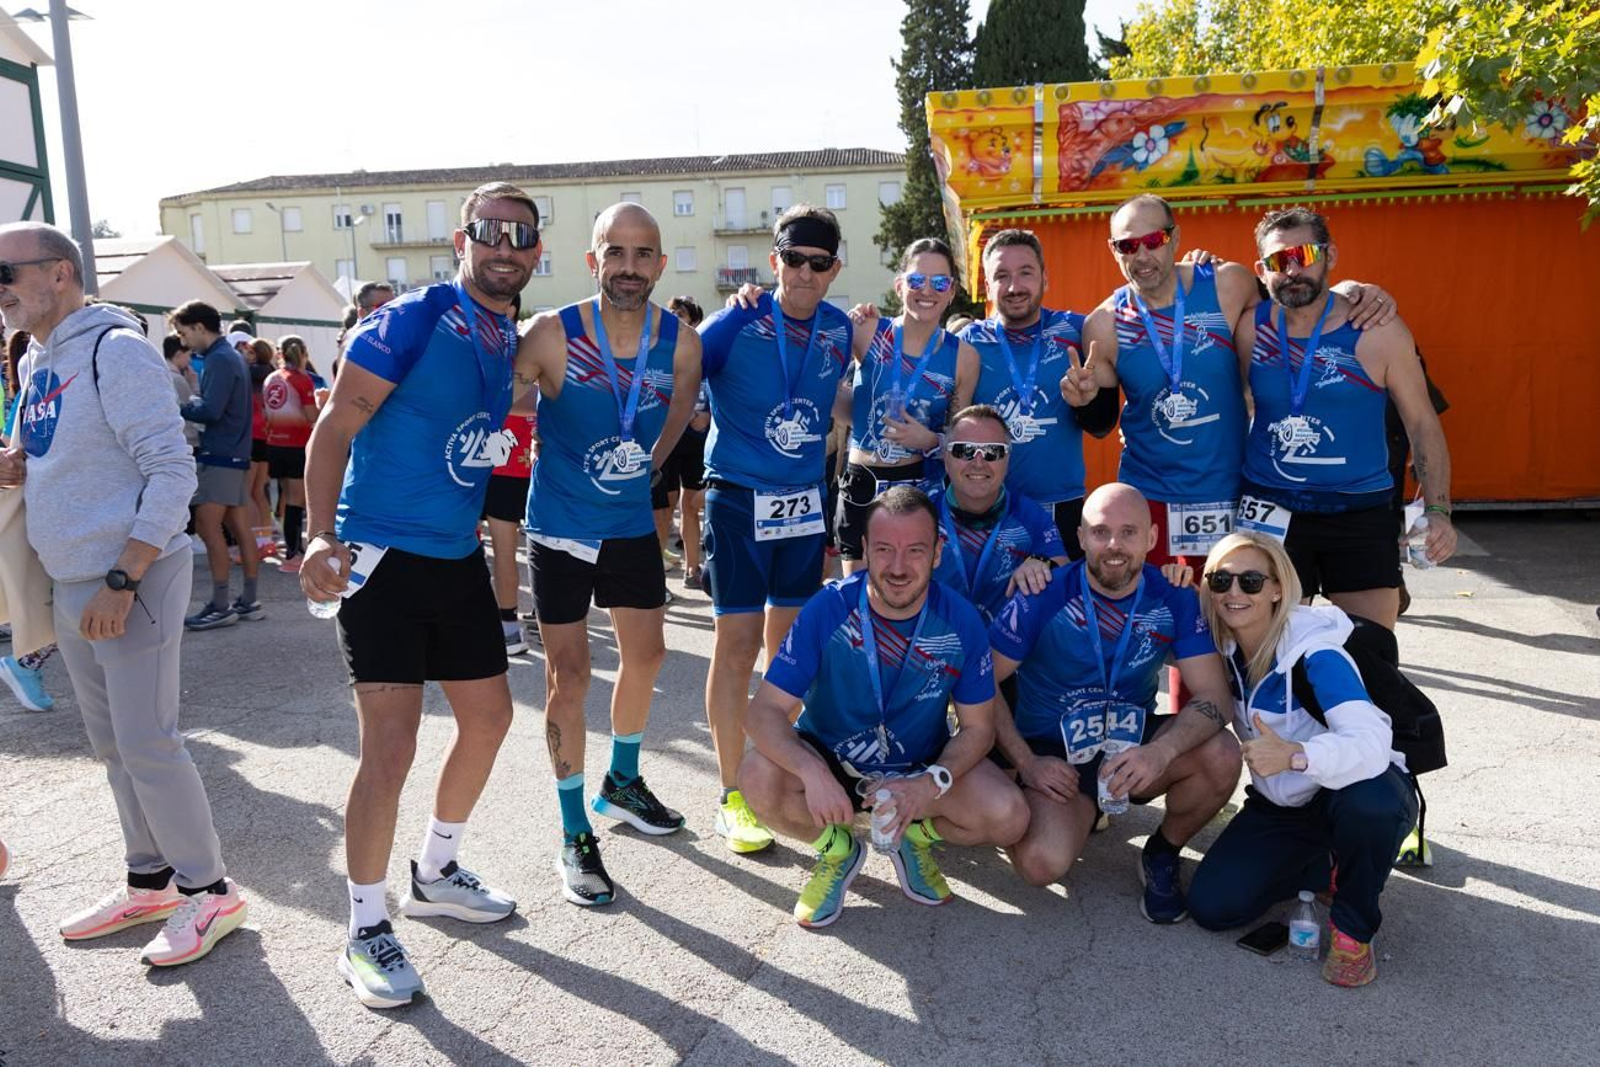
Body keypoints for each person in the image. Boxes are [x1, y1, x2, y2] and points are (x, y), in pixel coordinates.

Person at [299, 182, 540, 1008]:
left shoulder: (510, 332)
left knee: (491, 717)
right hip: (381, 556)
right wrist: (318, 536)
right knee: (390, 746)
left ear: (537, 251)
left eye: (521, 234)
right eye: (490, 231)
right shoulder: (408, 319)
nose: (505, 245)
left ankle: (435, 871)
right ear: (461, 240)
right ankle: (366, 924)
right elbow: (333, 425)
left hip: (456, 556)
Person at [0, 220, 248, 965]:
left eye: (6, 272)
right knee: (113, 745)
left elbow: (173, 471)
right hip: (75, 577)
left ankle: (211, 891)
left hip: (128, 576)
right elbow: (63, 450)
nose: (0, 291)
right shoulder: (38, 358)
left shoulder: (117, 350)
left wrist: (123, 576)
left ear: (61, 274)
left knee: (149, 740)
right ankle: (151, 880)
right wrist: (19, 461)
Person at [1076, 194, 1397, 708]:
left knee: (1247, 637)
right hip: (1153, 499)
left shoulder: (1226, 283)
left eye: (1153, 240)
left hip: (1233, 500)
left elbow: (1301, 295)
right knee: (1154, 633)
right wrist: (1087, 402)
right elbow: (1098, 423)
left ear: (1176, 239)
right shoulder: (1103, 325)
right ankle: (1156, 754)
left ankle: (1266, 752)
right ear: (1113, 250)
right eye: (1126, 245)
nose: (1142, 254)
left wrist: (1356, 290)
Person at [513, 202, 701, 906]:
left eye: (641, 253)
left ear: (659, 262)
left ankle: (621, 781)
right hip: (560, 525)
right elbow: (495, 395)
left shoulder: (680, 341)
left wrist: (650, 461)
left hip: (626, 525)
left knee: (647, 655)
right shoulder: (552, 334)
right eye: (613, 253)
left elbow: (682, 405)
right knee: (570, 674)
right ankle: (572, 831)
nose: (628, 266)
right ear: (593, 262)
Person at [737, 486, 1028, 928]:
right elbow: (763, 713)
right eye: (884, 549)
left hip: (919, 767)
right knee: (756, 777)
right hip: (834, 763)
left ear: (937, 553)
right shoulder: (828, 608)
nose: (897, 567)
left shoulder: (961, 620)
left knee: (1009, 815)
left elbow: (978, 729)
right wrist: (813, 774)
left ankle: (913, 835)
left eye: (914, 550)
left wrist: (929, 785)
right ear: (865, 550)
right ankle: (837, 849)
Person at [988, 482, 1240, 924]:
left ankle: (1162, 852)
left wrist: (1161, 751)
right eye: (1100, 532)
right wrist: (1026, 762)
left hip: (1134, 747)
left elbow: (1215, 696)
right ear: (1081, 538)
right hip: (1054, 751)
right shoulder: (1042, 593)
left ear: (1151, 539)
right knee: (1040, 864)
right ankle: (1076, 810)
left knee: (1221, 754)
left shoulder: (1176, 596)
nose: (1114, 546)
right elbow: (980, 684)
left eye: (1128, 532)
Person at [1185, 531, 1419, 987]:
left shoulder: (1317, 653)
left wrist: (1296, 756)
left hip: (1347, 791)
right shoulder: (1222, 648)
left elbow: (1371, 744)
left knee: (1371, 806)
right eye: (1220, 580)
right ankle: (1329, 863)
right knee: (1213, 907)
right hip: (1283, 806)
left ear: (1277, 589)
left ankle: (1354, 929)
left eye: (1251, 581)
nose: (1234, 592)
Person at [696, 205, 856, 854]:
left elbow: (849, 398)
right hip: (737, 499)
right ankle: (732, 792)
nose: (805, 272)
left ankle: (775, 766)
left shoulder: (840, 328)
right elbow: (677, 375)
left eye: (819, 263)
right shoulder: (736, 321)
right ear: (775, 260)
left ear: (834, 268)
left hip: (803, 503)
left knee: (786, 649)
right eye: (794, 259)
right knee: (736, 645)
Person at [1236, 206, 1456, 629]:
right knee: (1267, 658)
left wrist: (1440, 508)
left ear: (1330, 256)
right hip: (1270, 509)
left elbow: (1422, 423)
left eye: (1305, 255)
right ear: (1262, 271)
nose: (1293, 269)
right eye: (1279, 261)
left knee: (1369, 656)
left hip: (1358, 513)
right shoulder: (1249, 329)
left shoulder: (1377, 329)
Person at [958, 229, 1119, 551]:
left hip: (1064, 509)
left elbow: (1103, 426)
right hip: (990, 510)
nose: (1015, 287)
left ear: (1045, 279)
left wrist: (1088, 402)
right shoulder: (968, 343)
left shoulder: (1078, 330)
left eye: (1026, 273)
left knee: (1061, 600)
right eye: (1002, 276)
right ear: (988, 287)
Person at [836, 238, 978, 573]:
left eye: (939, 282)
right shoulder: (866, 330)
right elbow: (824, 387)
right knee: (857, 600)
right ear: (900, 286)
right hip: (862, 480)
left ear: (951, 291)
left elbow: (959, 442)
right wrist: (863, 420)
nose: (926, 290)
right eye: (916, 280)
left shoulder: (964, 358)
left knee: (911, 592)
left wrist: (927, 440)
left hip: (919, 484)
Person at [927, 404, 1065, 624]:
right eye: (965, 450)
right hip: (938, 650)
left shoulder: (1029, 515)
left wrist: (1043, 563)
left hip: (1008, 649)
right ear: (945, 456)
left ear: (1008, 459)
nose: (979, 463)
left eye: (993, 452)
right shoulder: (923, 516)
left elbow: (1061, 565)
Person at [172, 301, 262, 629]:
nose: (184, 341)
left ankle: (221, 605)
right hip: (236, 453)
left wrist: (178, 406)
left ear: (199, 326)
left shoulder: (220, 358)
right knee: (240, 529)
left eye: (184, 332)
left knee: (209, 529)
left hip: (221, 454)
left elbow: (211, 410)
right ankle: (249, 599)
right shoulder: (229, 356)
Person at [653, 295, 710, 591]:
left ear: (695, 321)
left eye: (683, 313)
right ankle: (656, 579)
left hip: (697, 440)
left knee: (691, 505)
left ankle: (692, 568)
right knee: (664, 508)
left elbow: (720, 387)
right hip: (668, 438)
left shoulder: (705, 350)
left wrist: (708, 415)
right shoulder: (659, 350)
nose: (676, 317)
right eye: (672, 312)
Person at [262, 334, 320, 573]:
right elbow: (311, 416)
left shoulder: (271, 378)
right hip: (296, 445)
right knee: (297, 499)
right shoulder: (302, 380)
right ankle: (294, 553)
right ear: (303, 353)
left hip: (274, 444)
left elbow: (267, 414)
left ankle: (293, 549)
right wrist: (324, 404)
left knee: (287, 497)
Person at [481, 405, 536, 654]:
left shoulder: (499, 365)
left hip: (500, 461)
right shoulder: (554, 365)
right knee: (506, 551)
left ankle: (509, 627)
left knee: (502, 550)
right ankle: (510, 626)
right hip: (523, 462)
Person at [243, 337, 277, 555]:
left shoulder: (248, 373)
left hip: (252, 434)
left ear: (254, 354)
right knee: (259, 492)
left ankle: (256, 541)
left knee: (247, 492)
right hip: (268, 435)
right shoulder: (273, 373)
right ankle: (266, 540)